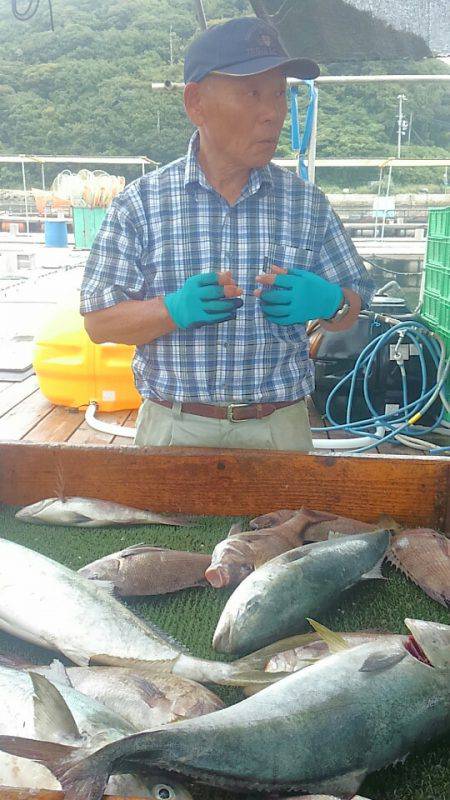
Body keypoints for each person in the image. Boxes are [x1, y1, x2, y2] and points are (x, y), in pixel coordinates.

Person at [80, 16, 375, 452]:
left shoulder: (306, 204)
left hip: (280, 428)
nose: (272, 113)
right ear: (196, 103)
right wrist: (174, 309)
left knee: (290, 523)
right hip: (173, 427)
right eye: (251, 93)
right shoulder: (140, 204)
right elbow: (98, 321)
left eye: (279, 92)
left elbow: (355, 307)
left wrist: (330, 301)